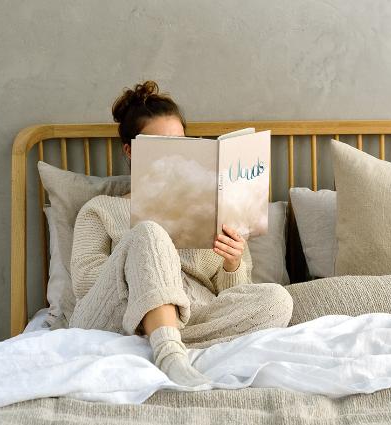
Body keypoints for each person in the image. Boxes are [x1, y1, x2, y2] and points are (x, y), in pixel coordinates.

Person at [67, 81, 293, 387]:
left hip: (192, 315)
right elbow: (86, 285)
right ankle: (170, 354)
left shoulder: (212, 208)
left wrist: (233, 262)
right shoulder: (100, 209)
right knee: (148, 232)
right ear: (130, 150)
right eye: (160, 148)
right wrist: (152, 260)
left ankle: (162, 338)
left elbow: (230, 294)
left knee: (277, 300)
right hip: (114, 319)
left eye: (180, 144)